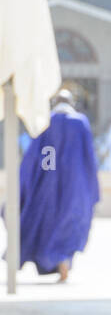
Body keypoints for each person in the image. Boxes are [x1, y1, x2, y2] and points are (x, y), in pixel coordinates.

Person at [5, 90, 100, 283]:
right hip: (75, 183)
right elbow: (89, 156)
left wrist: (32, 181)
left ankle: (56, 260)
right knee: (69, 222)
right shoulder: (80, 122)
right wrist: (91, 186)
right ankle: (63, 261)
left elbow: (35, 156)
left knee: (46, 221)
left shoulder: (47, 121)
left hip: (49, 182)